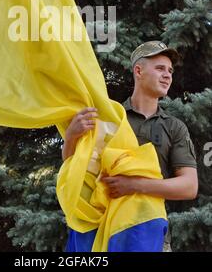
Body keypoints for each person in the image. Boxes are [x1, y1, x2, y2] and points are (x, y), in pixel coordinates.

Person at [62, 41, 198, 252]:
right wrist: (70, 137)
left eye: (170, 70)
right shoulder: (111, 118)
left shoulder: (174, 127)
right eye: (160, 68)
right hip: (100, 231)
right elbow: (77, 170)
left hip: (149, 233)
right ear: (138, 70)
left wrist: (135, 185)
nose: (167, 75)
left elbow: (189, 186)